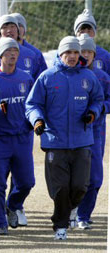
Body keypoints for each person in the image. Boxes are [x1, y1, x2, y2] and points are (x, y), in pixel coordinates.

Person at [26, 36, 103, 240]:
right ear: (60, 54)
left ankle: (68, 211)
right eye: (68, 52)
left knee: (80, 187)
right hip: (55, 142)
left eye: (75, 52)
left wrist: (93, 112)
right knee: (60, 188)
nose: (72, 56)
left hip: (82, 141)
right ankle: (60, 226)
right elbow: (32, 104)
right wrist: (38, 120)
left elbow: (98, 99)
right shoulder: (47, 77)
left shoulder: (88, 77)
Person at [0, 37, 35, 235]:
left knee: (27, 182)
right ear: (0, 55)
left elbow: (34, 104)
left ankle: (12, 205)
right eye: (8, 51)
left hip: (22, 137)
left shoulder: (26, 78)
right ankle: (0, 223)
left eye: (15, 50)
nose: (13, 54)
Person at [76, 34, 110, 230]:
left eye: (89, 51)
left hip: (95, 132)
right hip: (71, 133)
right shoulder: (65, 76)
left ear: (94, 55)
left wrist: (100, 108)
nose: (85, 55)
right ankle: (71, 210)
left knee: (95, 177)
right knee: (73, 177)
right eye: (82, 51)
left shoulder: (103, 77)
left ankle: (83, 215)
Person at [0, 14, 42, 80]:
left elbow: (39, 83)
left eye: (12, 26)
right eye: (4, 27)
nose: (9, 30)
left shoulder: (30, 54)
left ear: (18, 30)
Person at [74, 9, 110, 76]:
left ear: (94, 32)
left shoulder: (105, 56)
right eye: (82, 31)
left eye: (89, 31)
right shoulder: (67, 54)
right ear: (76, 33)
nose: (85, 34)